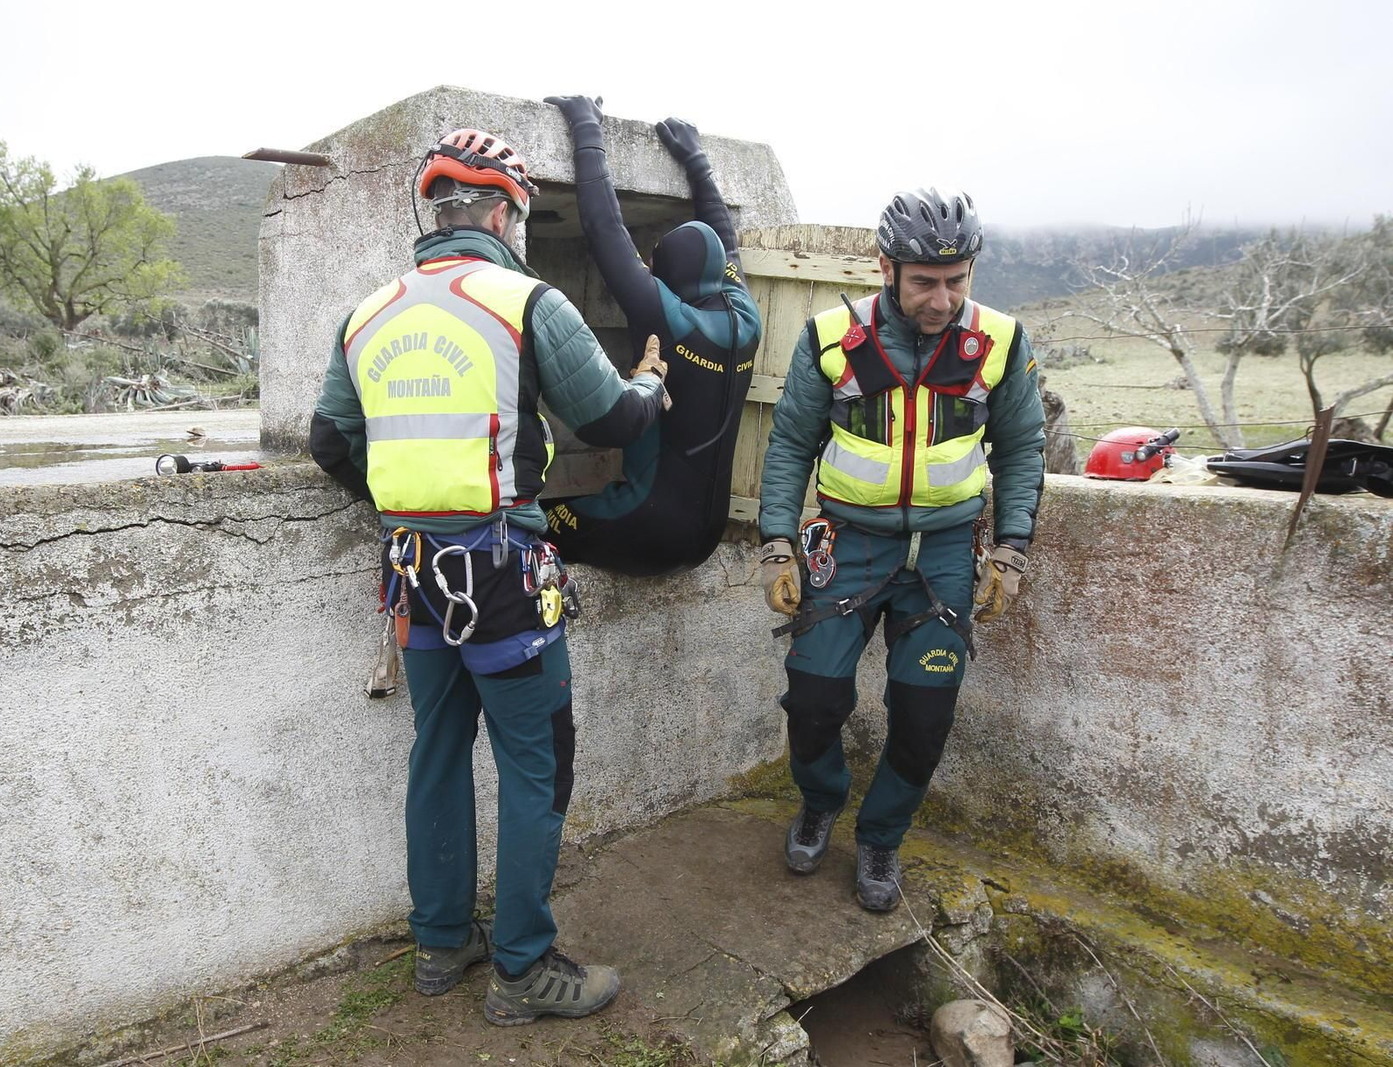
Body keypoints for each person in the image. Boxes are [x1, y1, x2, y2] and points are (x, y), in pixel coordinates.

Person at [309, 127, 669, 1025]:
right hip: (503, 574)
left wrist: (405, 500)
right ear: (506, 212)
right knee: (537, 761)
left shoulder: (369, 312)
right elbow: (612, 418)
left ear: (433, 211)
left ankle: (441, 944)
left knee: (437, 748)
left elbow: (328, 441)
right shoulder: (525, 300)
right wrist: (655, 387)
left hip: (415, 571)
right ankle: (523, 965)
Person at [755, 188, 1045, 912]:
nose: (941, 298)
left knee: (923, 716)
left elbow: (1021, 447)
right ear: (886, 267)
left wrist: (1011, 551)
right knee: (814, 699)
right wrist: (777, 545)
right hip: (848, 544)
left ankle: (882, 835)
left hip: (946, 554)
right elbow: (790, 441)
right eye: (924, 282)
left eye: (957, 280)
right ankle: (821, 801)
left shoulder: (1001, 343)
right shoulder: (831, 338)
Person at [540, 96, 763, 576]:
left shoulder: (669, 318)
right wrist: (696, 161)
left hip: (643, 523)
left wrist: (586, 129)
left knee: (529, 529)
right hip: (708, 531)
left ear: (668, 273)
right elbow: (725, 239)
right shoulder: (745, 318)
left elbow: (605, 229)